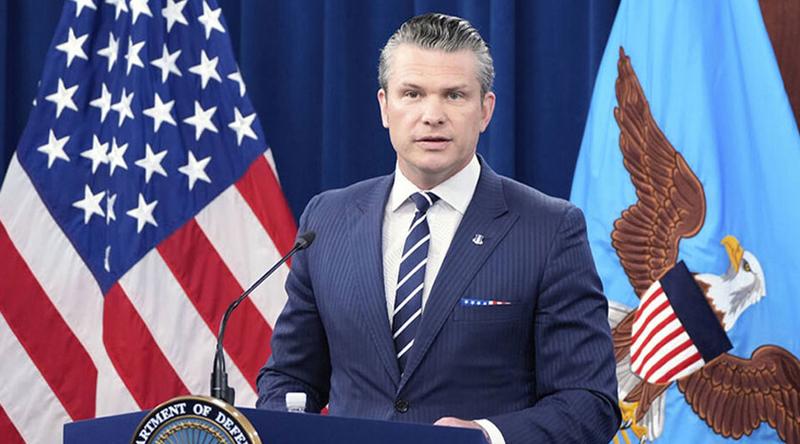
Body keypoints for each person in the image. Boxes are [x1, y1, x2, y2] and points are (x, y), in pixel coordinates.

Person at [256, 13, 620, 443]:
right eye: (412, 94)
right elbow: (290, 376)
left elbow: (588, 402)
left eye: (454, 95)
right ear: (384, 106)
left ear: (485, 110)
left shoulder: (550, 229)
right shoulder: (327, 219)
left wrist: (485, 436)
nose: (432, 115)